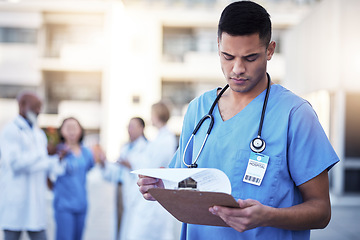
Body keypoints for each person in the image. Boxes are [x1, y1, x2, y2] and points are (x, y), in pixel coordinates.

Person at [137, 1, 340, 240]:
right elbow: (185, 183)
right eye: (227, 56)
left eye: (250, 57)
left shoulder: (295, 115)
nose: (237, 69)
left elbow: (321, 211)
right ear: (218, 46)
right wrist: (160, 187)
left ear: (270, 50)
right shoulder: (199, 110)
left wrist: (268, 216)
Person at [0, 90, 61, 240]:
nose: (39, 111)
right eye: (35, 106)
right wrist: (43, 155)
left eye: (40, 107)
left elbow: (42, 164)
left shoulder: (38, 133)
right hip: (15, 200)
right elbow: (15, 164)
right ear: (22, 105)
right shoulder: (10, 130)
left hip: (35, 203)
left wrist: (56, 158)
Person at [125, 102, 179, 240]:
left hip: (155, 192)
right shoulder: (159, 137)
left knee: (144, 233)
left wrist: (133, 163)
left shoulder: (166, 139)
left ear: (156, 115)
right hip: (148, 191)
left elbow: (154, 164)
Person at [98, 117, 148, 240]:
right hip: (121, 189)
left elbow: (146, 169)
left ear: (141, 128)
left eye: (132, 127)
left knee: (132, 228)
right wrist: (104, 163)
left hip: (135, 193)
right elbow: (116, 172)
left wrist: (130, 165)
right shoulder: (126, 147)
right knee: (120, 224)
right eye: (128, 127)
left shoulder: (146, 148)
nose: (129, 130)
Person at [53, 117, 94, 240]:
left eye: (74, 128)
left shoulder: (86, 152)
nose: (71, 132)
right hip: (64, 206)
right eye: (68, 128)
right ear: (61, 131)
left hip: (81, 204)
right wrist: (60, 159)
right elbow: (51, 173)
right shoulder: (57, 151)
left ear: (80, 131)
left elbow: (90, 167)